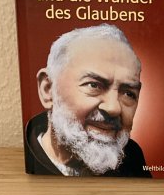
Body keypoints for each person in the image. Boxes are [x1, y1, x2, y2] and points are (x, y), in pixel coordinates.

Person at [25, 24, 152, 176]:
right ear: (48, 89)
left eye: (128, 93)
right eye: (94, 85)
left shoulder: (132, 157)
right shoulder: (30, 164)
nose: (113, 108)